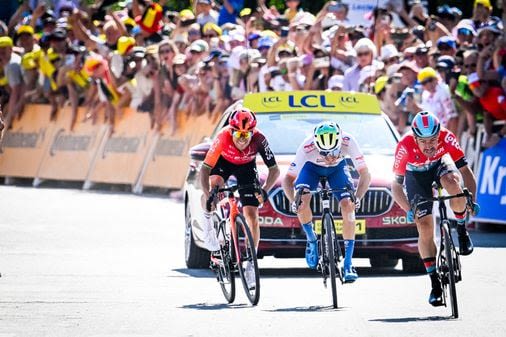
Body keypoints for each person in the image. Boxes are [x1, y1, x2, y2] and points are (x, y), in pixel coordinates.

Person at [391, 111, 479, 307]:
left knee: (453, 182)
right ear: (415, 138)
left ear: (439, 135)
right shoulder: (404, 146)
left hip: (440, 166)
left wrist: (471, 199)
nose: (430, 145)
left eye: (433, 140)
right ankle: (435, 284)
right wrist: (409, 209)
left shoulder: (447, 137)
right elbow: (396, 186)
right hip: (416, 176)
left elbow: (465, 171)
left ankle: (462, 231)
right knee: (424, 227)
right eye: (424, 141)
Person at [282, 121, 371, 282]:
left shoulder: (348, 141)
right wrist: (293, 201)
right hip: (311, 169)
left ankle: (348, 263)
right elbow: (287, 180)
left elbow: (365, 174)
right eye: (324, 153)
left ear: (340, 141)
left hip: (338, 170)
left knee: (349, 206)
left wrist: (357, 197)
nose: (329, 156)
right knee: (301, 203)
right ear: (316, 145)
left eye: (334, 151)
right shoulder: (307, 146)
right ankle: (311, 239)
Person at [200, 107, 280, 287]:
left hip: (246, 167)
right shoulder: (222, 137)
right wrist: (209, 195)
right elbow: (204, 170)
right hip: (223, 164)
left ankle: (251, 263)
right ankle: (208, 226)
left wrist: (265, 190)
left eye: (247, 136)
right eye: (238, 136)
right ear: (231, 131)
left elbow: (274, 170)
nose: (242, 140)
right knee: (212, 190)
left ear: (253, 132)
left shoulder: (259, 139)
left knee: (252, 214)